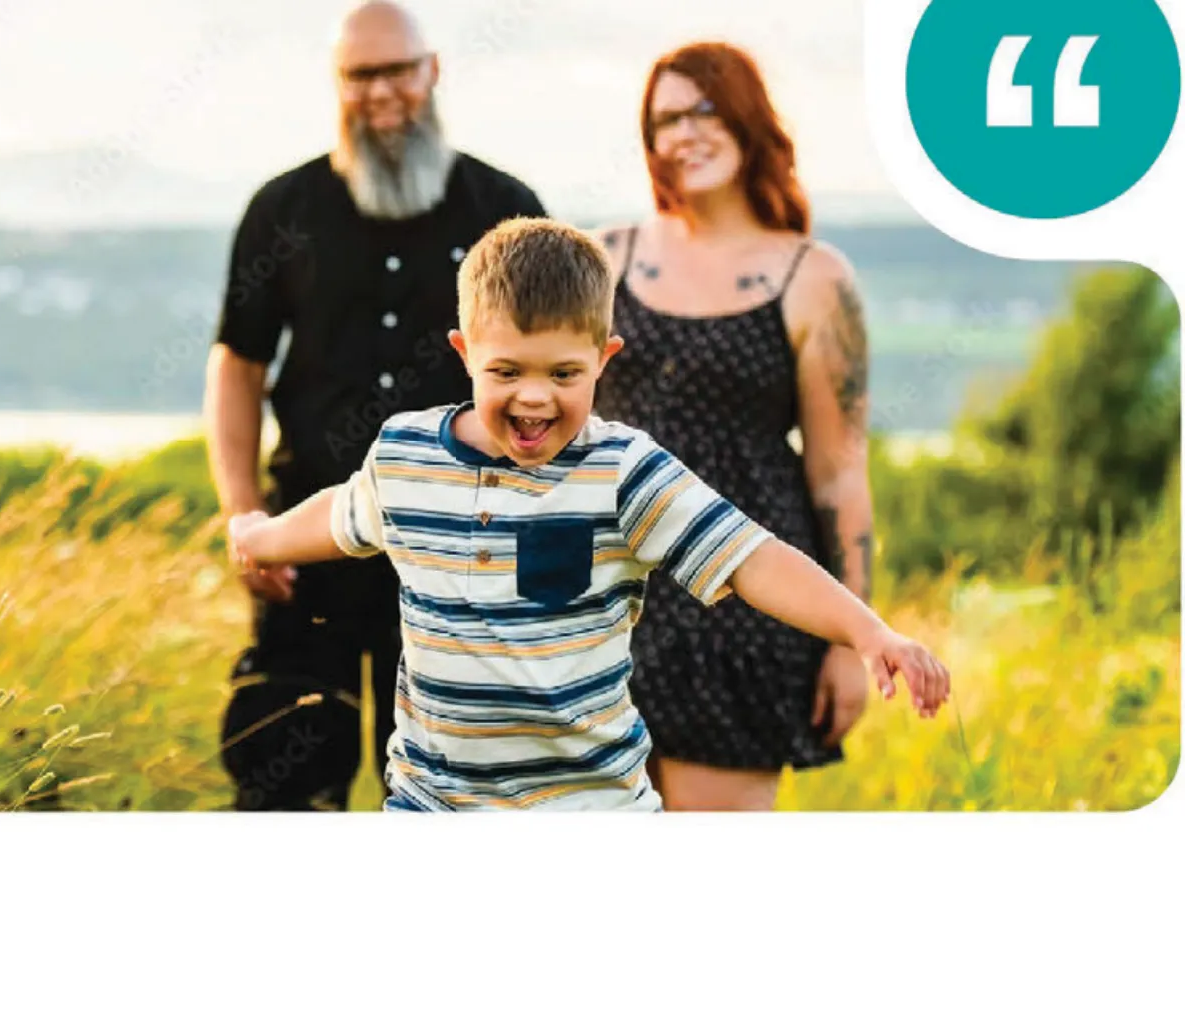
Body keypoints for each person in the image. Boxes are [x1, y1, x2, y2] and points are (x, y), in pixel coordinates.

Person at [226, 218, 950, 812]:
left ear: (604, 359)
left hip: (587, 806)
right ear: (465, 351)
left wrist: (866, 630)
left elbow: (752, 556)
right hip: (431, 803)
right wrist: (260, 536)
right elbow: (341, 518)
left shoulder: (624, 472)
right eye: (506, 371)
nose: (534, 398)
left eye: (564, 374)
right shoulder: (408, 454)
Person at [203, 0, 547, 811]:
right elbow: (238, 367)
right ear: (336, 84)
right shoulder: (280, 210)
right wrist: (243, 517)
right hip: (305, 553)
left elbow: (549, 385)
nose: (382, 91)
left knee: (450, 801)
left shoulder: (506, 208)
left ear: (434, 71)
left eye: (399, 69)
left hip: (462, 557)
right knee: (284, 790)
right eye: (361, 75)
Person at [591, 41, 877, 810]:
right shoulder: (601, 258)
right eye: (666, 119)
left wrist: (850, 642)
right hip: (604, 596)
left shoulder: (813, 278)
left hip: (741, 605)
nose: (685, 132)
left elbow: (838, 471)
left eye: (705, 109)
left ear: (749, 118)